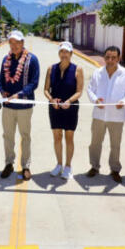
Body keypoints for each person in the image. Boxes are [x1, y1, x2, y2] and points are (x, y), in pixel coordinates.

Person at [86, 46, 125, 183]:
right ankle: (94, 167)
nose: (110, 60)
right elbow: (90, 89)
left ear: (119, 58)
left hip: (117, 116)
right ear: (104, 58)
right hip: (99, 115)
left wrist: (124, 101)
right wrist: (95, 100)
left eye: (113, 57)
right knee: (95, 143)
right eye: (107, 57)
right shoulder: (97, 73)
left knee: (115, 145)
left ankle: (115, 169)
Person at [0, 30, 40, 180]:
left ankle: (26, 166)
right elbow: (0, 81)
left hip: (24, 106)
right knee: (7, 136)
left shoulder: (32, 60)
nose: (14, 45)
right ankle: (9, 163)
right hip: (8, 106)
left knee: (25, 136)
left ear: (23, 43)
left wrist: (20, 94)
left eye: (17, 42)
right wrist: (3, 92)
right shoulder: (6, 59)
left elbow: (34, 82)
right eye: (11, 42)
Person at [44, 41, 84, 179]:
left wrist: (69, 101)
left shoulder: (78, 69)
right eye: (62, 52)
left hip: (70, 108)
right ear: (59, 53)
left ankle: (68, 166)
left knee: (69, 137)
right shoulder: (51, 69)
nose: (64, 54)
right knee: (57, 136)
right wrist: (51, 99)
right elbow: (45, 89)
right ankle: (59, 164)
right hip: (55, 107)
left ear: (71, 54)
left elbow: (79, 91)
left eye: (67, 52)